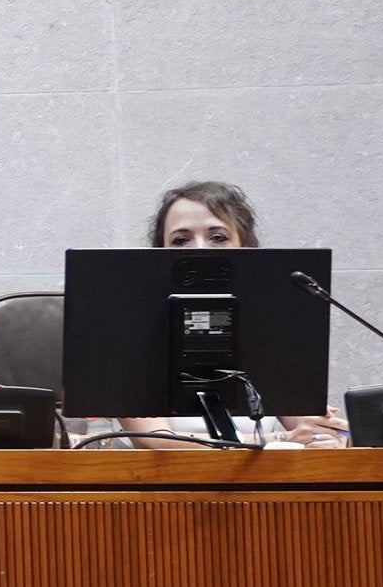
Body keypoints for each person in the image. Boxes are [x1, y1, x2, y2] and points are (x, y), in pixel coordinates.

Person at [125, 179, 346, 446]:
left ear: (245, 247)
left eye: (218, 238)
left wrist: (324, 434)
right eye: (181, 240)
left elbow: (305, 426)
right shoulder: (132, 333)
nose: (200, 250)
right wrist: (278, 438)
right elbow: (155, 441)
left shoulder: (268, 330)